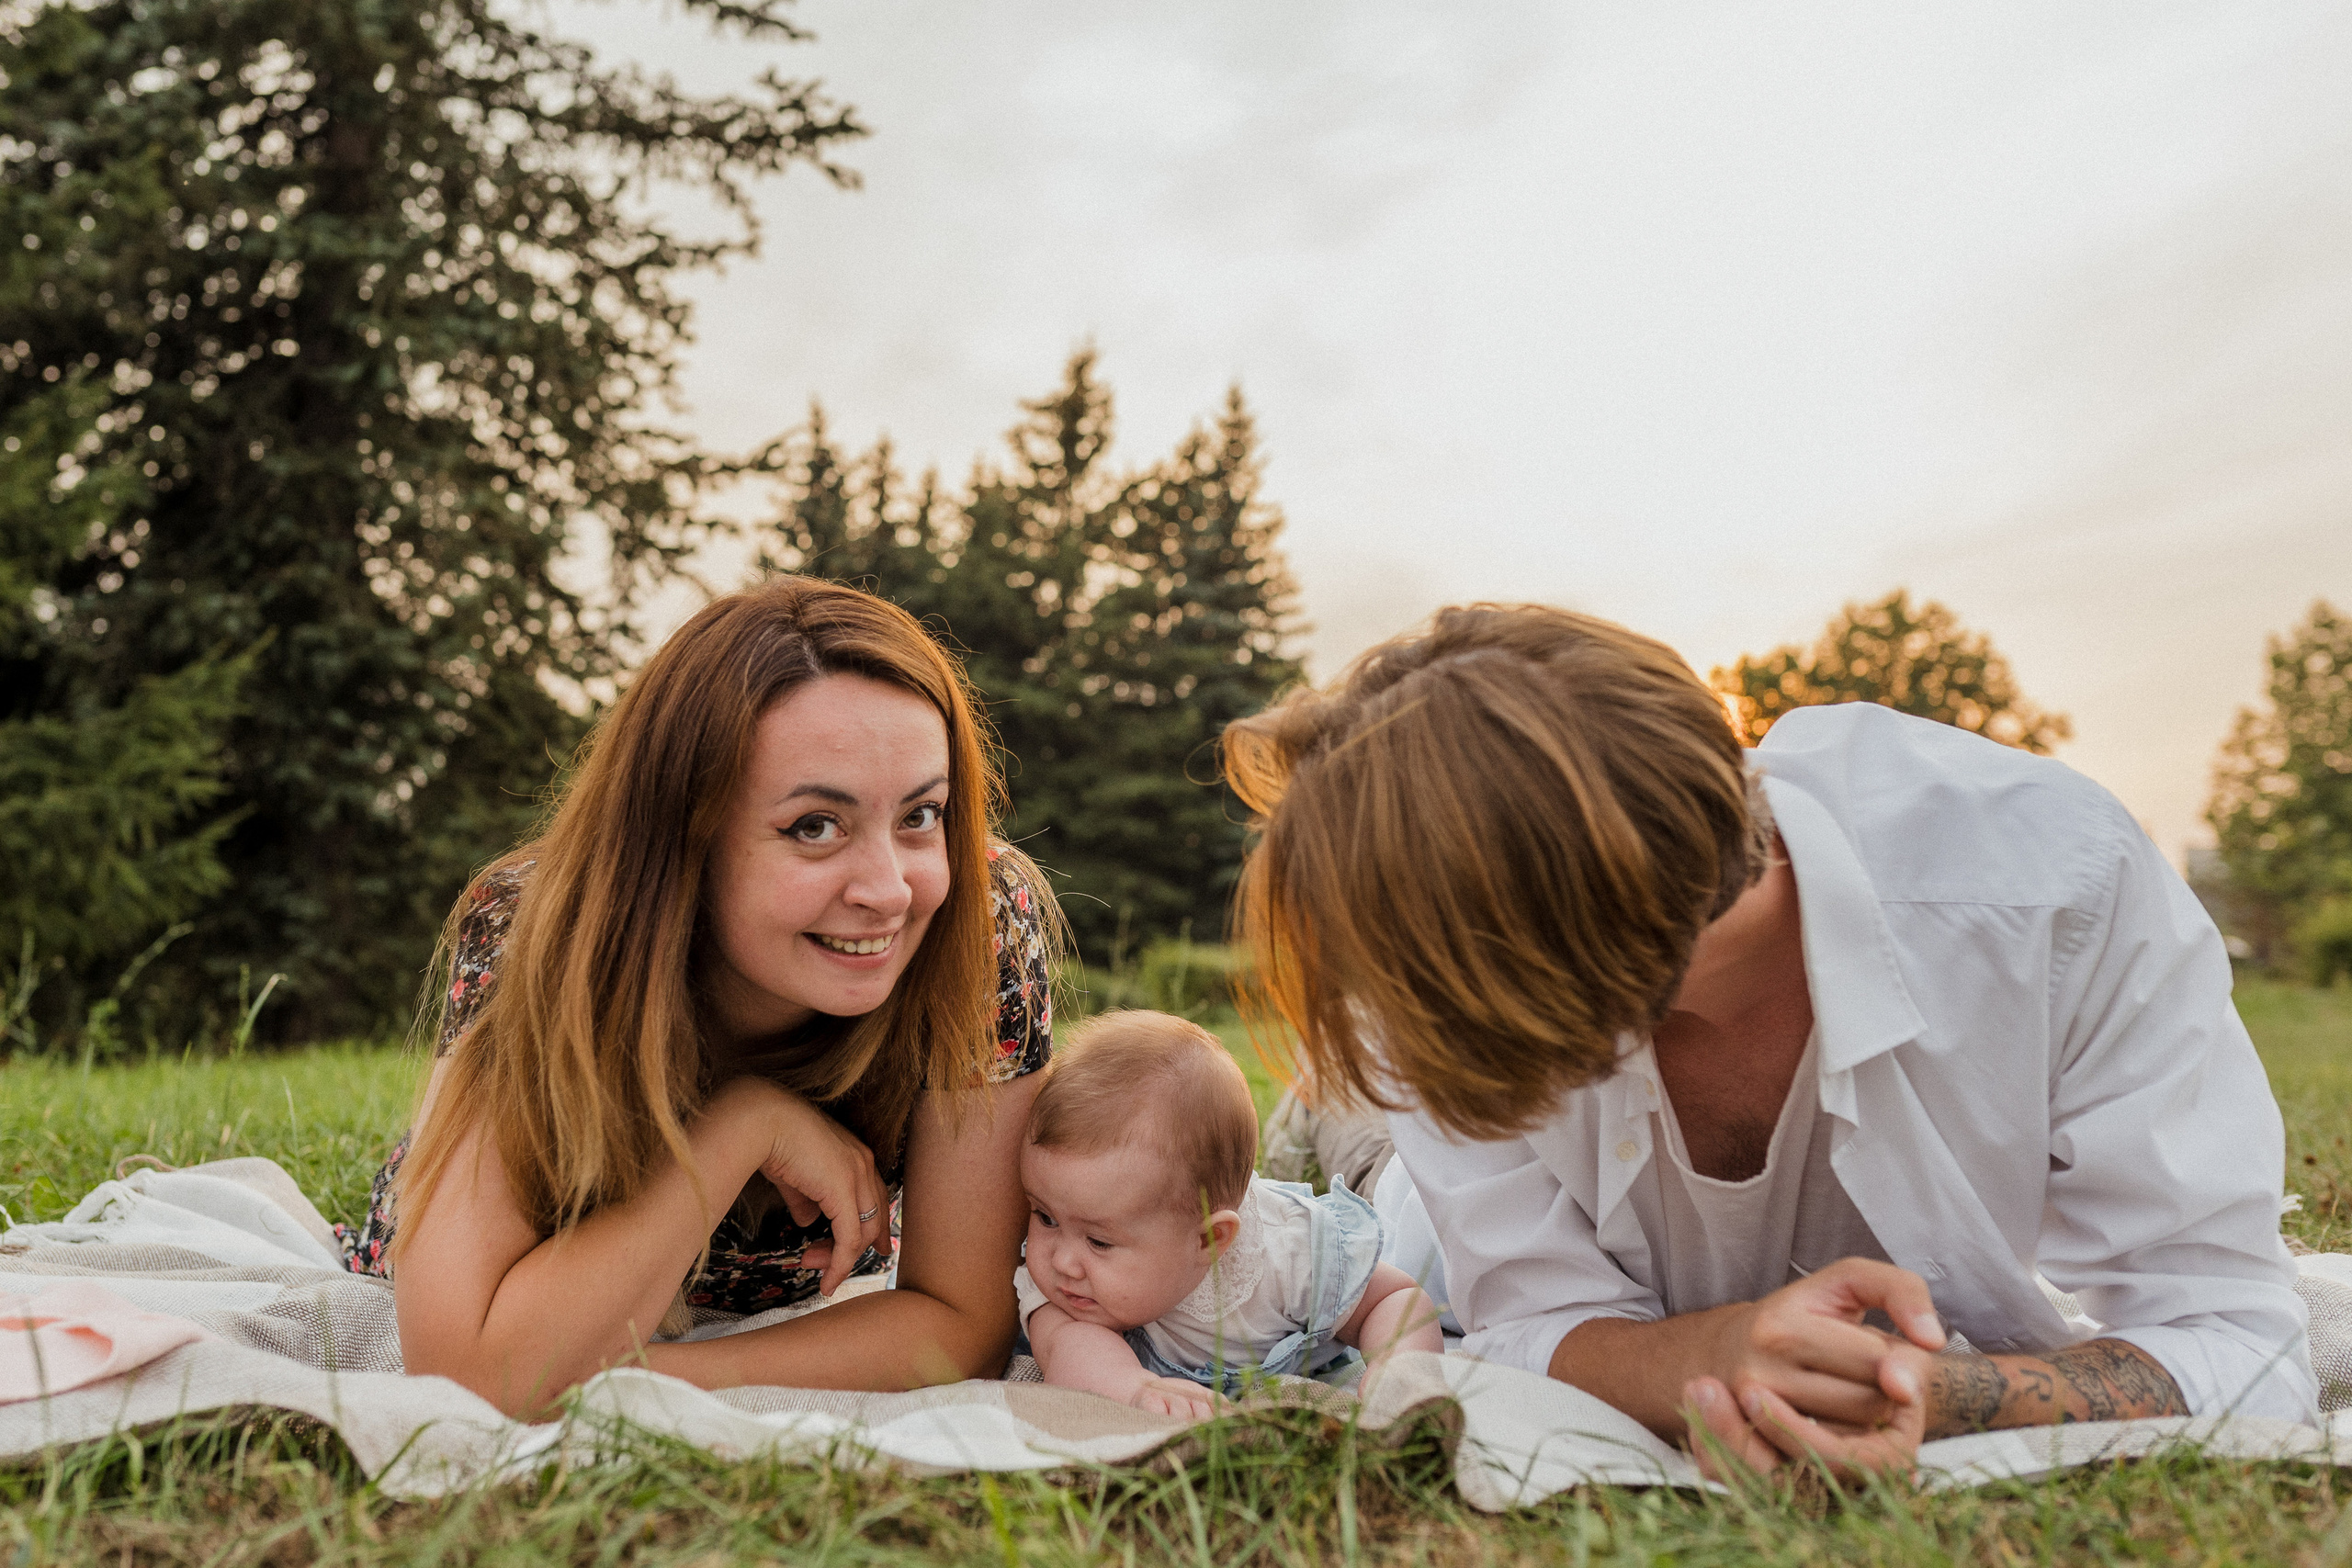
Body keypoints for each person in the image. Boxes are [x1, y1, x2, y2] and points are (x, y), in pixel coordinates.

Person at [1222, 603, 2313, 1476]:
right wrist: (1718, 1354)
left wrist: (1932, 1398)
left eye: (1416, 1006)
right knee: (1364, 1151)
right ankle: (1324, 1104)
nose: (1407, 1018)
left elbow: (2239, 1343)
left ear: (1539, 971)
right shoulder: (1441, 979)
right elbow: (1523, 1325)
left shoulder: (2051, 896)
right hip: (1415, 1205)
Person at [345, 578, 1058, 1416]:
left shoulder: (978, 921)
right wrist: (741, 1128)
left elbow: (960, 1323)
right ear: (686, 835)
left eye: (921, 814)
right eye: (815, 826)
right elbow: (468, 1374)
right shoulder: (536, 929)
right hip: (531, 1279)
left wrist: (645, 1383)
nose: (890, 889)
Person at [1015, 1010, 1442, 1418]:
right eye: (1045, 1217)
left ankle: (1305, 1109)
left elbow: (1394, 1298)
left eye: (1098, 1241)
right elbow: (1069, 1351)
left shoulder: (1285, 1253)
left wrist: (1399, 1368)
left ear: (1208, 1239)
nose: (1062, 1262)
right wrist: (1133, 1387)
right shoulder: (1066, 1298)